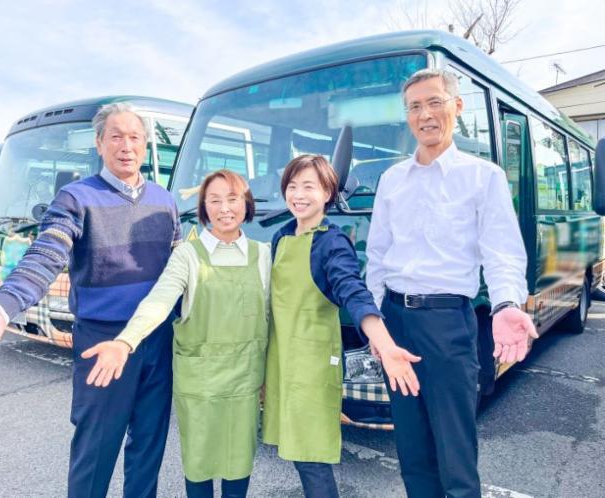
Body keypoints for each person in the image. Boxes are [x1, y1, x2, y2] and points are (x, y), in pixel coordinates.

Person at [0, 103, 181, 498]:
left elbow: (178, 269)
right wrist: (2, 305)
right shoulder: (76, 198)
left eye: (135, 137)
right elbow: (46, 254)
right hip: (101, 340)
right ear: (99, 143)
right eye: (116, 136)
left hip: (156, 337)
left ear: (145, 144)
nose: (126, 146)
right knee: (95, 449)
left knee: (149, 446)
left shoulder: (164, 201)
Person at [366, 68, 538, 498]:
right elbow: (377, 257)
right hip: (395, 323)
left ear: (457, 107)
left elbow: (502, 252)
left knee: (455, 456)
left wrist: (506, 305)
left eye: (434, 102)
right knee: (412, 453)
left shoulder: (483, 176)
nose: (424, 115)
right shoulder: (391, 180)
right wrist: (376, 327)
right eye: (414, 107)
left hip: (448, 325)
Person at [82, 169, 271, 498]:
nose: (225, 208)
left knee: (240, 462)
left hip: (246, 379)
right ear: (204, 208)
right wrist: (125, 341)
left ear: (246, 203)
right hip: (200, 383)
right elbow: (159, 300)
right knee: (198, 463)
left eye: (232, 199)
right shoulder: (188, 255)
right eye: (214, 201)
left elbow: (269, 317)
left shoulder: (263, 254)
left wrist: (271, 375)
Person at [262, 154, 421, 498]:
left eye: (309, 186)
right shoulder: (281, 236)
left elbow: (353, 292)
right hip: (281, 360)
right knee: (297, 451)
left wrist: (385, 343)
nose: (298, 195)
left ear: (327, 193)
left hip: (312, 364)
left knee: (311, 455)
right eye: (292, 186)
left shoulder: (332, 242)